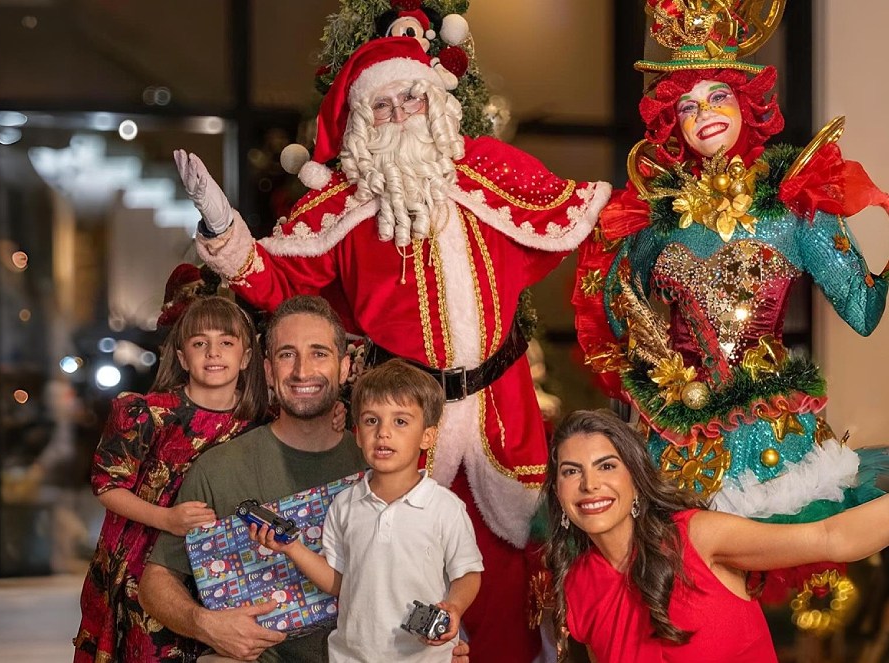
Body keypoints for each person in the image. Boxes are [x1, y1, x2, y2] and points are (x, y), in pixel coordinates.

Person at [174, 36, 612, 661]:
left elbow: (582, 215)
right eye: (383, 106)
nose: (402, 113)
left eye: (413, 97)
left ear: (436, 102)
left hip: (500, 406)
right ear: (361, 124)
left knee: (510, 563)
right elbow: (278, 282)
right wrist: (222, 229)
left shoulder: (489, 176)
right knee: (395, 553)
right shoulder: (346, 211)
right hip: (404, 413)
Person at [573, 0, 889, 596]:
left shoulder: (793, 206)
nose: (704, 114)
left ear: (748, 104)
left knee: (746, 593)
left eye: (719, 96)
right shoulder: (652, 222)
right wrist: (646, 349)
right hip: (676, 443)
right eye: (688, 105)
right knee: (682, 593)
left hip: (774, 447)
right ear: (674, 124)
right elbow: (613, 317)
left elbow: (864, 313)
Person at [545, 409, 889, 663]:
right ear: (558, 491)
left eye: (607, 466)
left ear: (635, 479)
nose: (589, 484)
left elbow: (832, 537)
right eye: (571, 471)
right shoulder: (578, 582)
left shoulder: (695, 535)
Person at [73, 264, 269, 662]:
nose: (213, 353)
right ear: (181, 355)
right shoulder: (147, 413)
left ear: (247, 356)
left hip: (211, 565)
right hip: (140, 561)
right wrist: (166, 520)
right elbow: (108, 486)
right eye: (199, 343)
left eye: (226, 343)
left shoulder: (257, 424)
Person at [251, 359, 483, 662]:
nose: (383, 433)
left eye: (400, 421)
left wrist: (453, 606)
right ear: (358, 434)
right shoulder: (345, 506)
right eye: (372, 421)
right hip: (352, 656)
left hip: (426, 658)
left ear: (427, 436)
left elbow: (467, 572)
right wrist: (292, 549)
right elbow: (339, 581)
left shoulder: (445, 508)